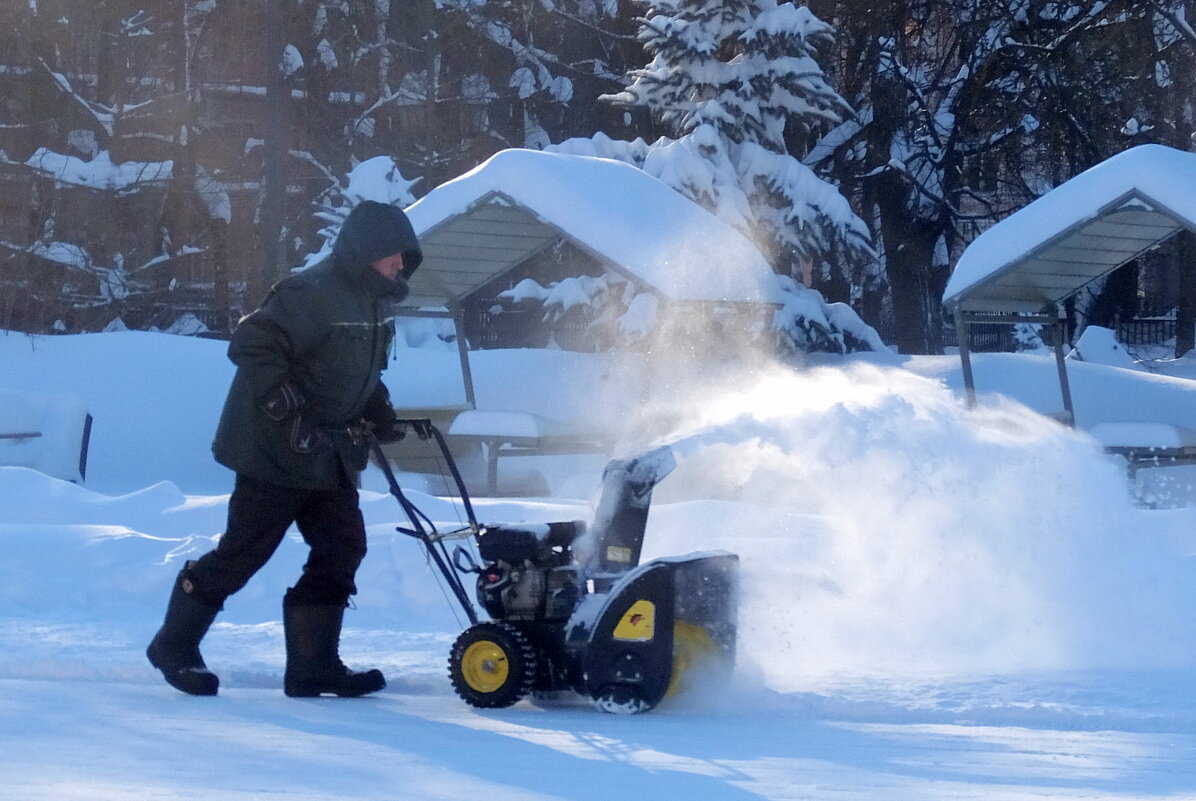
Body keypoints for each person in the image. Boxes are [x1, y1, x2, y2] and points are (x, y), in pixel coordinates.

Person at [147, 200, 421, 697]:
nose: (401, 264)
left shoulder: (376, 302)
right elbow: (251, 345)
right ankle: (173, 646)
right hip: (274, 450)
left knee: (343, 548)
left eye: (405, 256)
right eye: (393, 255)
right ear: (366, 252)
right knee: (244, 554)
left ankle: (313, 666)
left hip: (329, 451)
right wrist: (287, 408)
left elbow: (355, 368)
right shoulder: (309, 292)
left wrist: (376, 405)